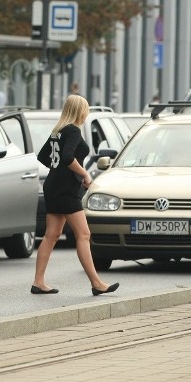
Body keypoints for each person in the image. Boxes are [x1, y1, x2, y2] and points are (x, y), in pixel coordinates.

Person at [32, 94, 119, 296]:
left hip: (53, 186)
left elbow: (43, 156)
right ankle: (97, 283)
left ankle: (38, 282)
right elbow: (68, 157)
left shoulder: (58, 130)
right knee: (84, 234)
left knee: (51, 235)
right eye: (86, 109)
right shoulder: (72, 130)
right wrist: (83, 173)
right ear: (81, 110)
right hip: (65, 190)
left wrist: (59, 171)